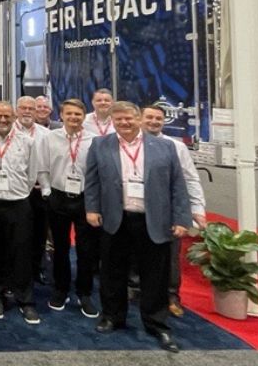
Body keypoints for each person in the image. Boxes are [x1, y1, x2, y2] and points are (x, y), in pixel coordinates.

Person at [85, 101, 191, 353]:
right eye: (118, 119)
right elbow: (92, 181)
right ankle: (112, 316)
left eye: (129, 118)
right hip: (116, 217)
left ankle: (157, 323)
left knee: (155, 274)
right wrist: (92, 208)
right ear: (113, 121)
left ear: (139, 119)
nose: (124, 123)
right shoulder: (100, 144)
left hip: (153, 219)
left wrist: (181, 218)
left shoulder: (166, 146)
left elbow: (178, 185)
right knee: (112, 271)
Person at [0, 101, 46, 324]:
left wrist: (19, 191)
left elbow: (32, 173)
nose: (2, 120)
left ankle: (25, 300)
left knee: (21, 252)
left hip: (18, 203)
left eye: (7, 116)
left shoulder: (27, 141)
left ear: (14, 117)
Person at [139, 104, 207, 317]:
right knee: (134, 252)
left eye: (158, 118)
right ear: (140, 119)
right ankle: (135, 289)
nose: (153, 122)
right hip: (137, 208)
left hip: (166, 210)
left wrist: (197, 209)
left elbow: (190, 179)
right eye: (149, 117)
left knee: (169, 257)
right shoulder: (130, 145)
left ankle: (171, 296)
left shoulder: (176, 147)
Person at [36, 98, 99, 317]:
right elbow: (42, 167)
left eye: (78, 114)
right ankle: (60, 289)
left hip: (84, 199)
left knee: (85, 249)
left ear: (83, 116)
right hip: (58, 197)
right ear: (61, 116)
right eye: (69, 113)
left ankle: (84, 293)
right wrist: (46, 191)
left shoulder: (94, 140)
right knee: (60, 247)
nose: (73, 117)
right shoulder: (49, 138)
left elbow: (97, 173)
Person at [14, 96, 50, 287]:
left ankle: (37, 268)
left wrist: (45, 183)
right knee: (17, 233)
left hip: (38, 190)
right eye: (23, 108)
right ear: (16, 110)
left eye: (31, 108)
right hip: (16, 190)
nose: (27, 111)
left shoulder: (46, 134)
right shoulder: (9, 131)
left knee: (39, 232)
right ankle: (17, 271)